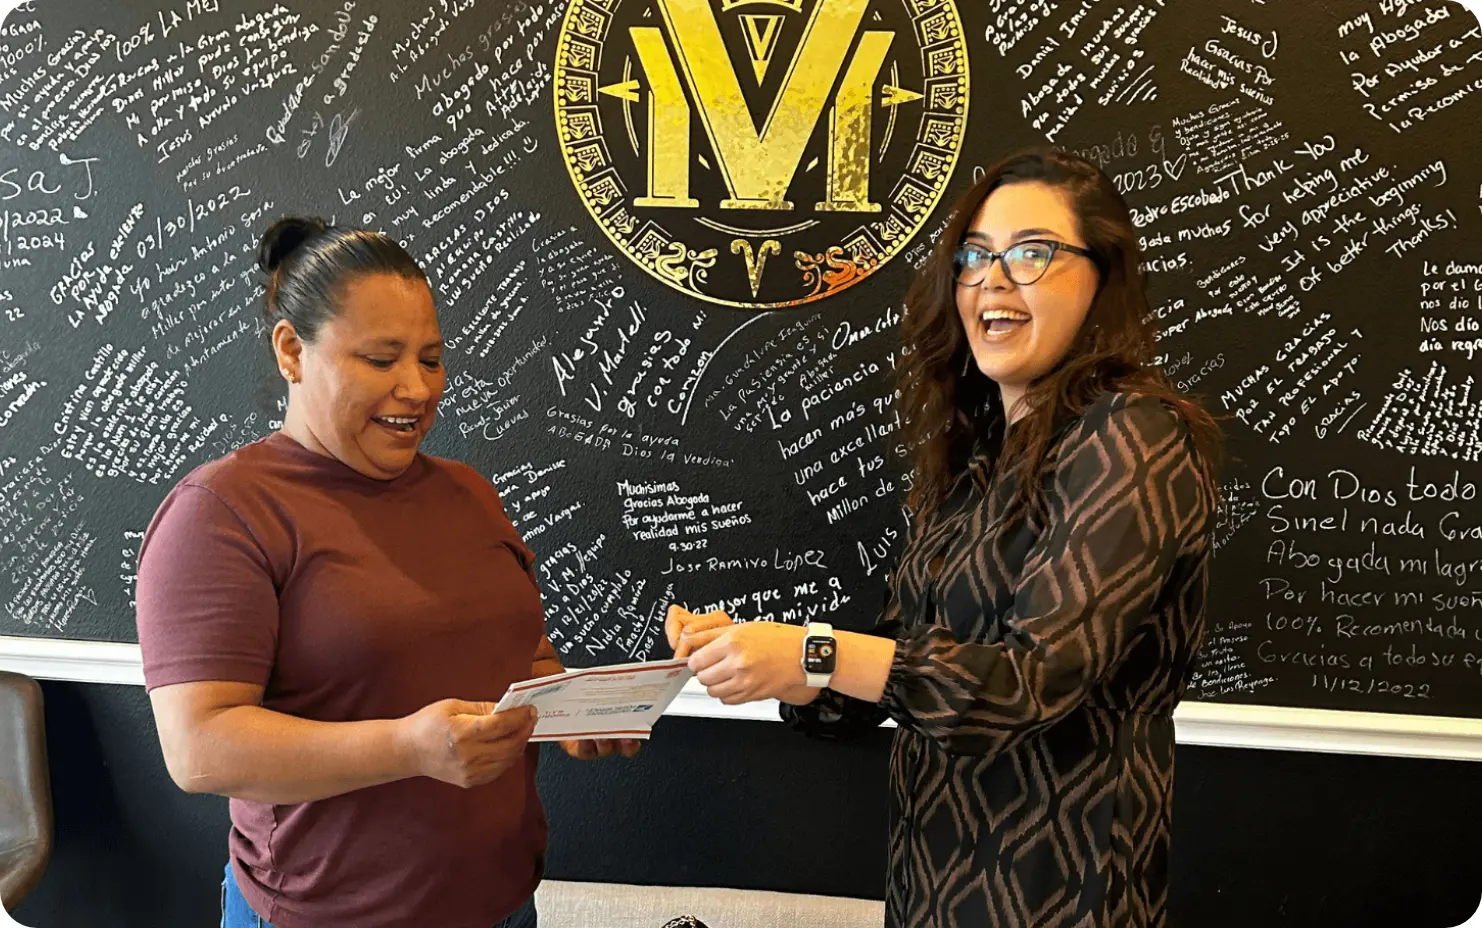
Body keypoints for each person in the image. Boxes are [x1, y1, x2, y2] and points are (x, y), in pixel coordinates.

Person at [667, 148, 1222, 928]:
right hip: (932, 885)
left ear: (1103, 277)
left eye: (1031, 253)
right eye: (974, 256)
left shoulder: (1133, 435)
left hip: (1063, 893)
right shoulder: (975, 464)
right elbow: (899, 669)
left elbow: (1028, 685)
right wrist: (773, 663)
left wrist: (814, 652)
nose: (992, 281)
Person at [135, 217, 638, 928]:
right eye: (380, 359)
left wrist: (568, 713)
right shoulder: (222, 512)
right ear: (292, 351)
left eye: (431, 360)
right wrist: (407, 748)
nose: (417, 388)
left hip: (502, 904)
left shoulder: (467, 492)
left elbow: (517, 650)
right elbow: (199, 748)